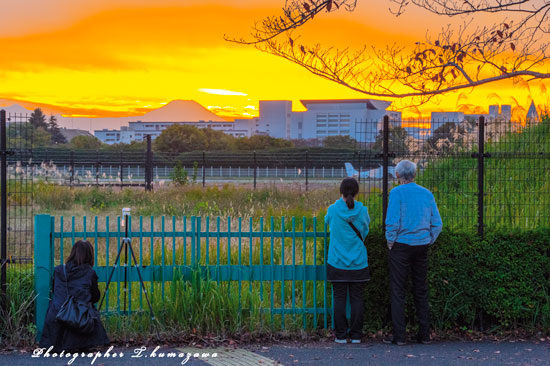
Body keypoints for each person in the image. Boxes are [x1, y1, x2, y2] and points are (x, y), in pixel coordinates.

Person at [383, 160, 442, 346]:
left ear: (398, 175)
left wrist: (391, 242)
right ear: (415, 175)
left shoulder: (396, 193)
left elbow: (392, 221)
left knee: (398, 290)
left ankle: (399, 337)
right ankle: (424, 335)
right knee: (421, 289)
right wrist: (428, 239)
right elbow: (437, 223)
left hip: (401, 245)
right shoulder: (427, 193)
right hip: (422, 245)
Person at [39, 240, 109, 351]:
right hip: (79, 321)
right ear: (90, 256)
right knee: (88, 308)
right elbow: (95, 297)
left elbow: (55, 291)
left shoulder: (59, 270)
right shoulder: (89, 272)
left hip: (57, 319)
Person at [325, 177, 370, 344]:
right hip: (358, 261)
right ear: (356, 192)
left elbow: (327, 222)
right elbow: (365, 230)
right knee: (357, 298)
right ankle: (356, 335)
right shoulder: (362, 210)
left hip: (337, 261)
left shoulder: (333, 209)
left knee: (339, 298)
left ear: (341, 191)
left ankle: (341, 335)